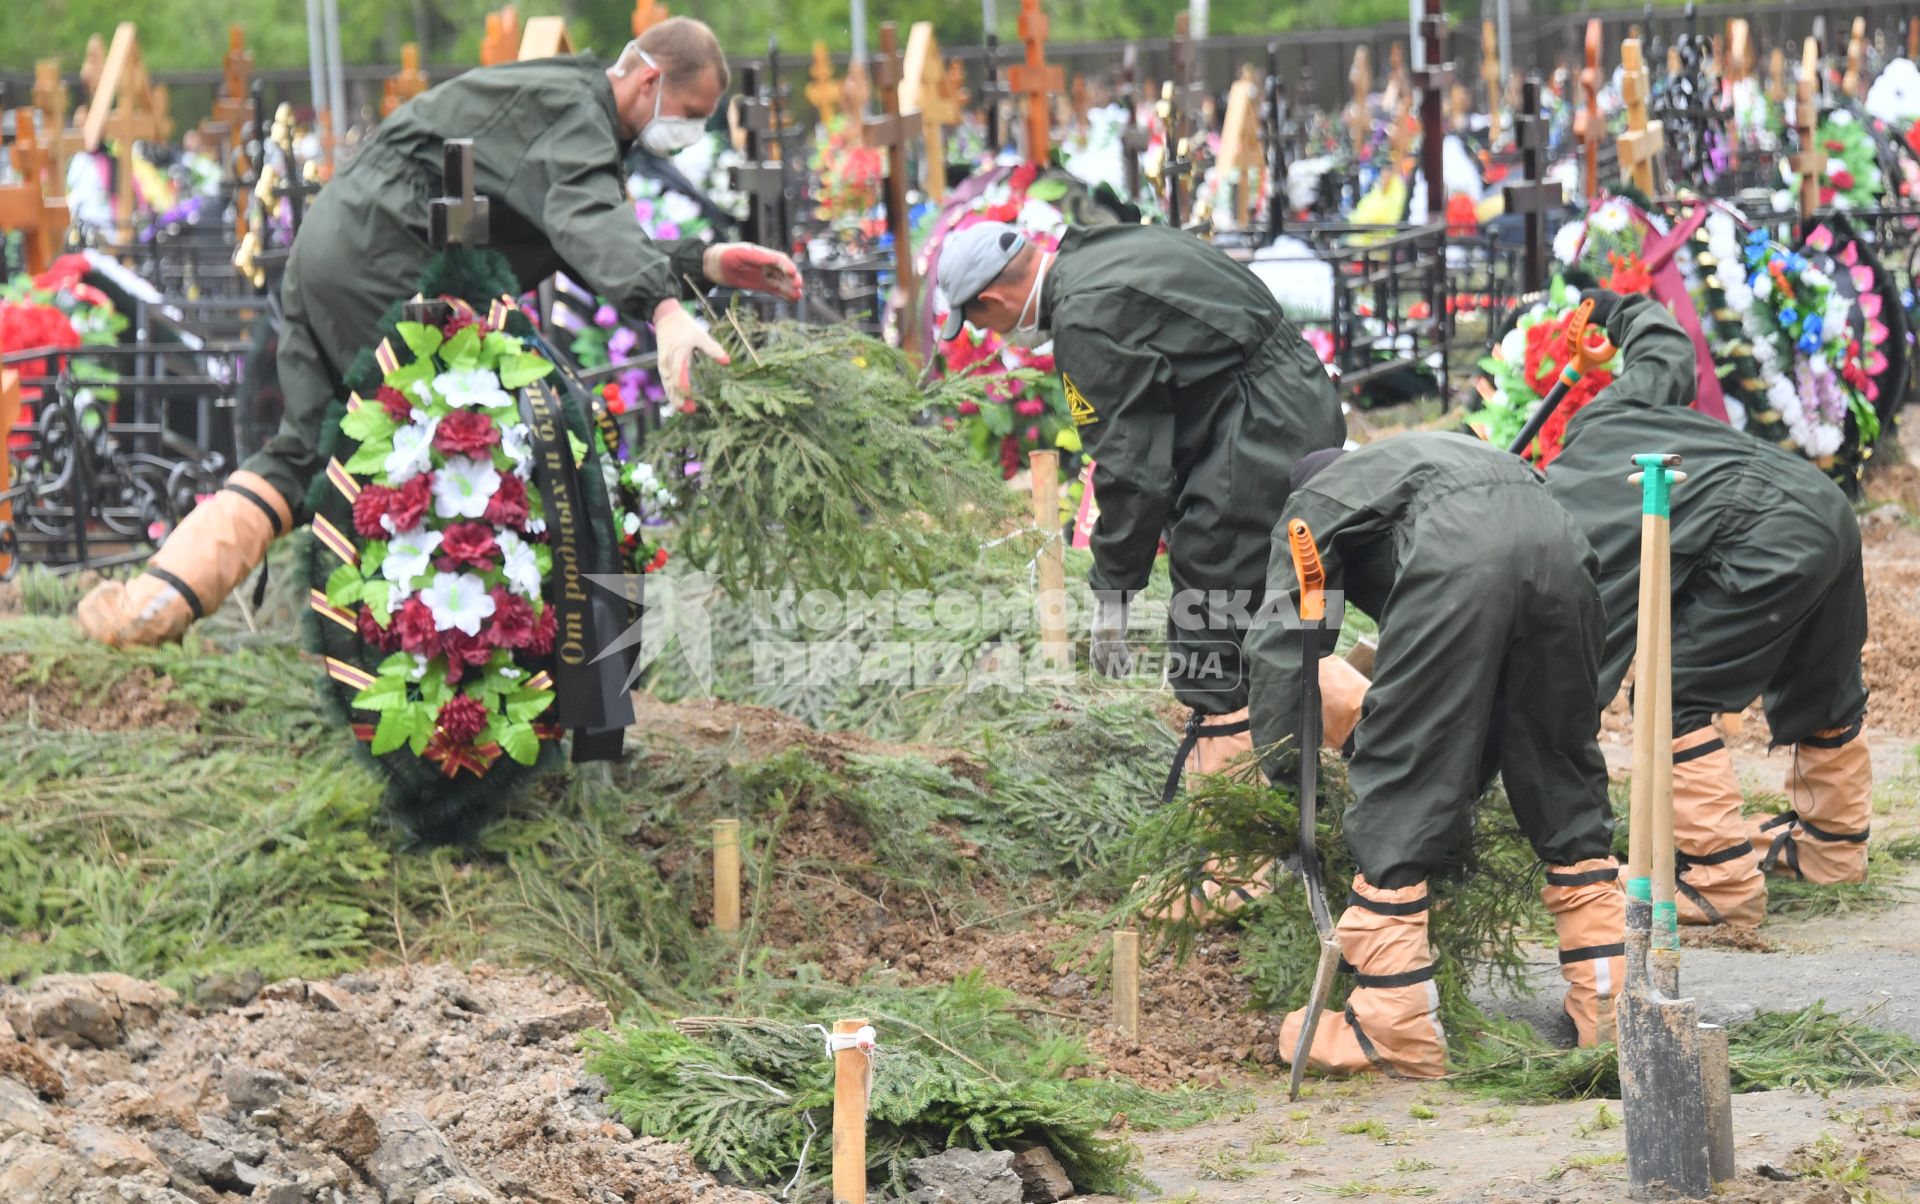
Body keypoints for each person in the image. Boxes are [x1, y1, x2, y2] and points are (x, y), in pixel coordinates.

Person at [79, 19, 802, 648]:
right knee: (459, 437)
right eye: (690, 112)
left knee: (306, 450)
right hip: (385, 254)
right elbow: (586, 218)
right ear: (648, 80)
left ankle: (153, 604)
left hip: (338, 243)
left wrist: (705, 264)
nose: (691, 132)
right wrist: (665, 310)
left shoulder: (566, 101)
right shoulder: (577, 112)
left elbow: (585, 232)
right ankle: (446, 652)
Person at [935, 220, 1362, 916]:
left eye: (979, 322)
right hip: (1288, 400)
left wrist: (1112, 595)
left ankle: (1238, 861)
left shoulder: (1085, 318)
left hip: (1257, 428)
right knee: (1270, 615)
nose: (990, 337)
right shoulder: (1102, 250)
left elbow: (1133, 471)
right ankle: (1353, 737)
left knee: (1209, 632)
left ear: (990, 300)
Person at [1248, 433, 1623, 1076]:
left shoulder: (1316, 503)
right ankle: (1613, 1009)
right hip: (1564, 549)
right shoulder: (1418, 463)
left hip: (1460, 558)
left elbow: (1285, 650)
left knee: (1402, 770)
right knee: (1562, 767)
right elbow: (1477, 712)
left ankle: (1393, 1028)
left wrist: (1287, 783)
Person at [1541, 291, 1872, 925]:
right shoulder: (1608, 413)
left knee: (1671, 690)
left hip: (1766, 532)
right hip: (1823, 503)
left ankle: (1718, 881)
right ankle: (1834, 849)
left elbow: (1569, 663)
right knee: (1822, 678)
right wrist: (1619, 308)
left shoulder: (1565, 517)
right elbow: (1666, 352)